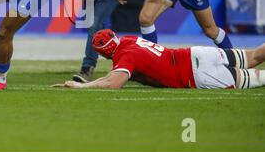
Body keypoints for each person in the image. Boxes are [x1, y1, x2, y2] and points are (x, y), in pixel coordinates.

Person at [55, 29, 265, 90]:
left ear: (101, 53)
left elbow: (114, 83)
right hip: (195, 53)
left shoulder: (125, 57)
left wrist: (81, 87)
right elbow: (113, 75)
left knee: (259, 77)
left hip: (196, 75)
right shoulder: (128, 41)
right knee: (255, 56)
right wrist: (89, 82)